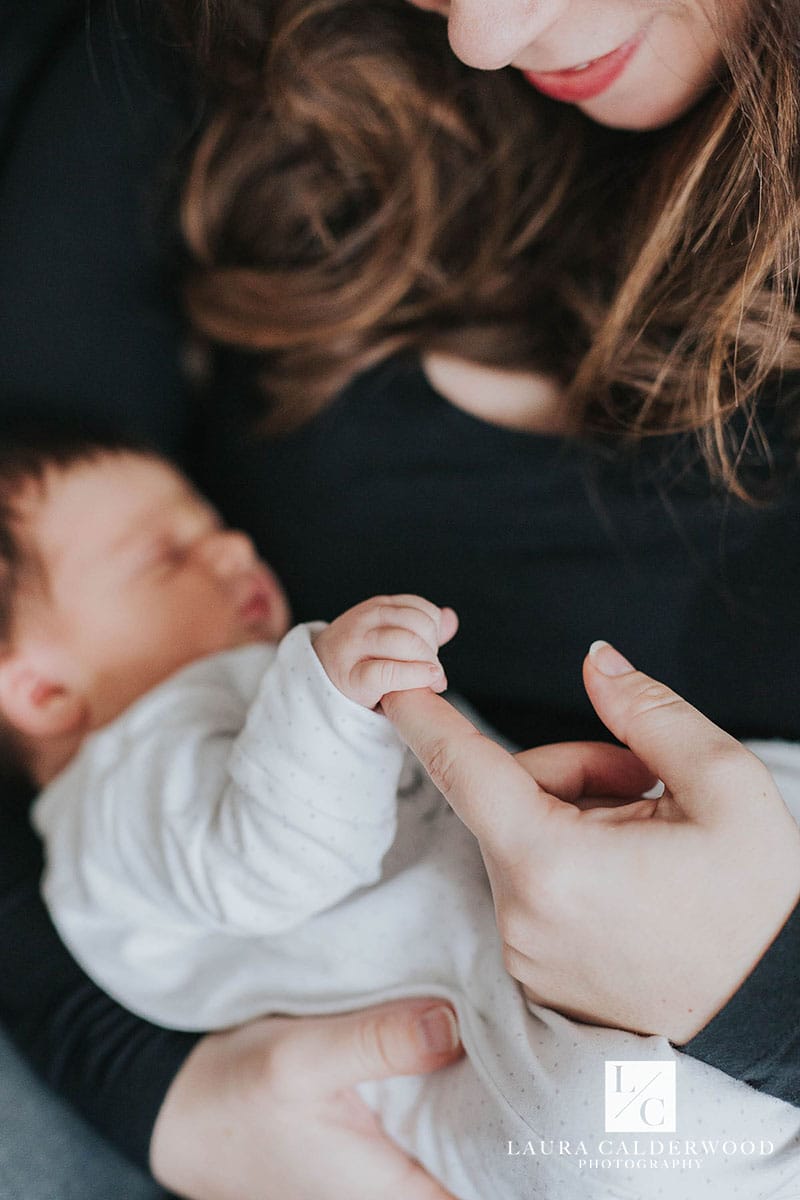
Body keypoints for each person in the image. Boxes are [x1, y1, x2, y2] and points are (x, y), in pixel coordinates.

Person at [1, 0, 799, 1197]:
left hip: (633, 998)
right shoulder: (129, 773)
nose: (477, 33)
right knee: (608, 1137)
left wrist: (761, 985)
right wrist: (180, 1103)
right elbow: (237, 858)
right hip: (444, 1068)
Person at [5, 434, 799, 1200]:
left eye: (212, 525)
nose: (233, 546)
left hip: (575, 946)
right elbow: (269, 867)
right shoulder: (114, 799)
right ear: (42, 691)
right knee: (614, 1132)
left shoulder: (235, 697)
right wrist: (326, 696)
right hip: (489, 1059)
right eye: (166, 555)